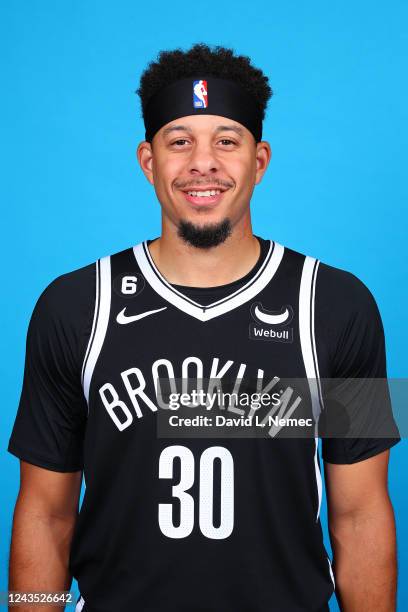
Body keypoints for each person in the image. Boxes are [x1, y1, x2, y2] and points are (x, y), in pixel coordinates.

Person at [7, 43, 401, 612]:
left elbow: (360, 512)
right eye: (179, 141)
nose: (203, 163)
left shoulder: (341, 306)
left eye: (226, 140)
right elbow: (45, 513)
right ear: (148, 160)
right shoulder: (73, 307)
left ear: (259, 160)